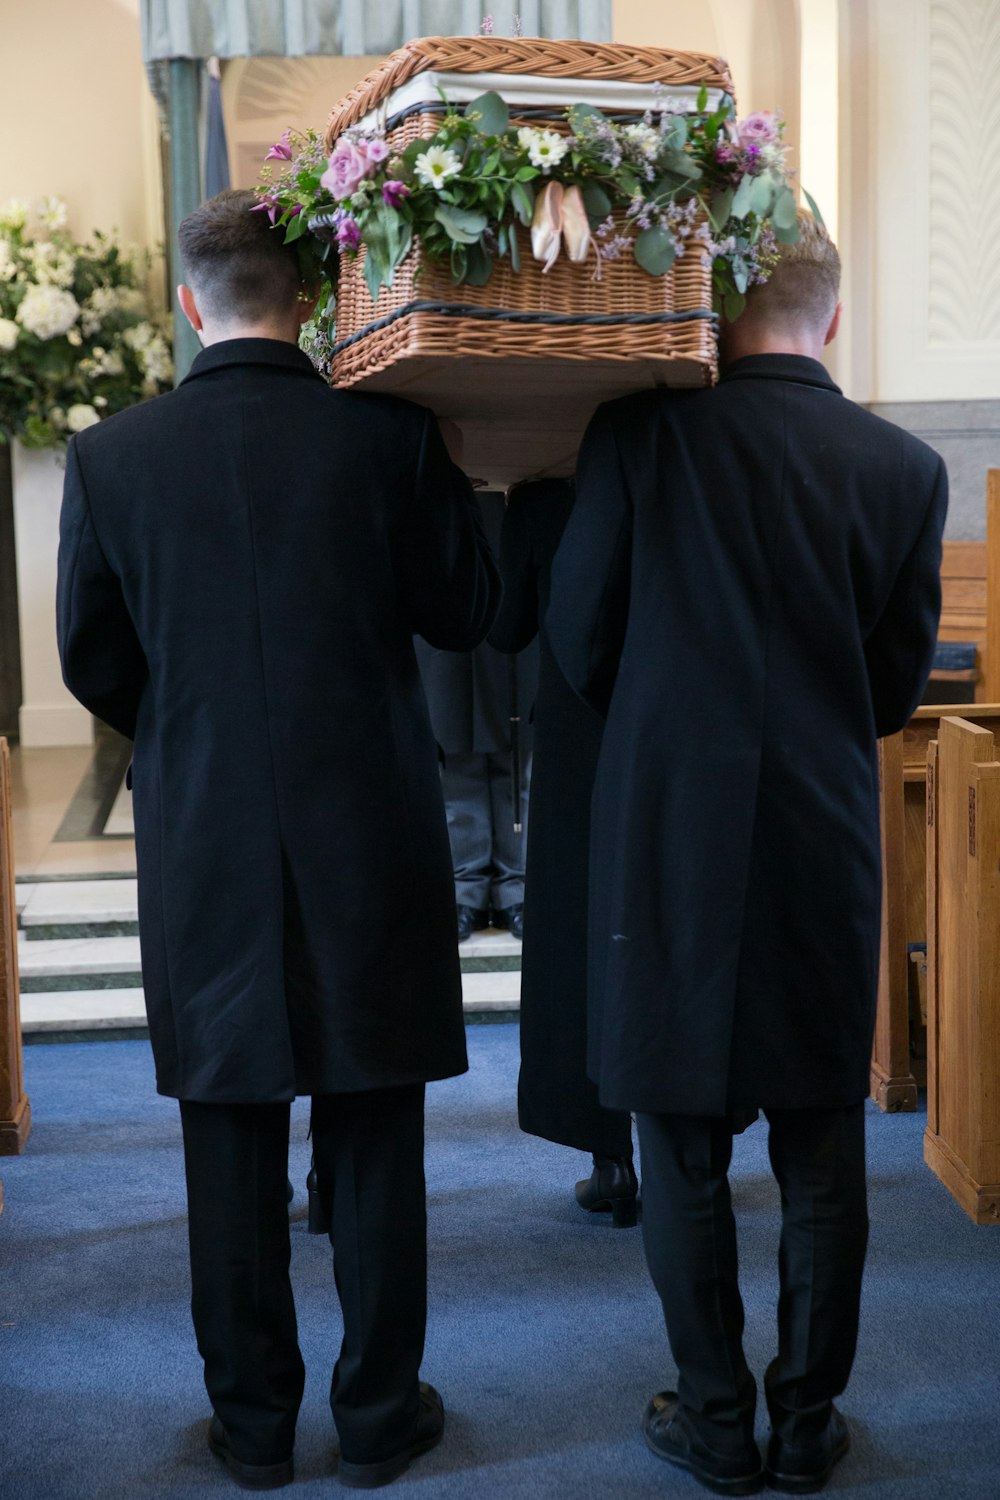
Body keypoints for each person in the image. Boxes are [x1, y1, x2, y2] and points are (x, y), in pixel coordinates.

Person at [56, 188, 500, 1492]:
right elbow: (468, 614)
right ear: (308, 301)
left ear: (190, 303)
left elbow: (93, 657)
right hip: (368, 821)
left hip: (206, 835)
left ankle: (253, 1428)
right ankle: (377, 1419)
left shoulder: (114, 455)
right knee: (373, 1123)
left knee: (229, 1132)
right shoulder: (391, 437)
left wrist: (194, 728)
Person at [547, 213, 947, 1496]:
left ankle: (714, 1418)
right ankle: (808, 1422)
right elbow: (894, 682)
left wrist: (669, 716)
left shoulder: (636, 438)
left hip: (669, 824)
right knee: (822, 1141)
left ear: (710, 313)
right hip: (822, 825)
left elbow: (579, 639)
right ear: (833, 319)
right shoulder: (901, 465)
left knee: (678, 1136)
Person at [489, 478, 636, 1226]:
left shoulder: (542, 500)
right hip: (674, 728)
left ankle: (608, 1156)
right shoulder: (682, 468)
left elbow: (506, 624)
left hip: (578, 739)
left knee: (579, 933)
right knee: (662, 925)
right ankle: (687, 1152)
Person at [414, 490, 538, 941]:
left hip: (508, 565)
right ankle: (465, 890)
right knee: (457, 750)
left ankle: (516, 888)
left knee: (515, 754)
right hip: (447, 575)